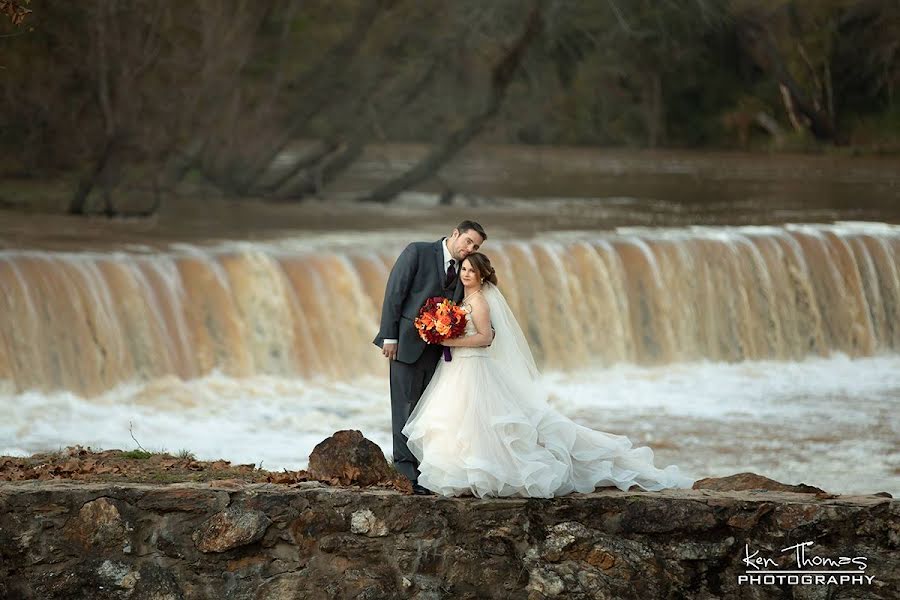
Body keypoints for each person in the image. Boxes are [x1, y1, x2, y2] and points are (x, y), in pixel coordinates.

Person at [402, 252, 696, 498]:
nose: (466, 274)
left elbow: (485, 338)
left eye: (472, 271)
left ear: (482, 275)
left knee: (478, 422)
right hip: (457, 368)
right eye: (464, 269)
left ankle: (482, 474)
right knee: (457, 419)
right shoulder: (464, 300)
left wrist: (449, 340)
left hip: (474, 366)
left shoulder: (479, 301)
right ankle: (461, 473)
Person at [373, 221, 489, 495]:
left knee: (427, 411)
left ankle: (427, 470)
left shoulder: (465, 269)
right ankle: (406, 474)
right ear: (455, 233)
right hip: (405, 345)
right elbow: (395, 293)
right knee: (404, 407)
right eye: (468, 241)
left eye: (476, 247)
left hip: (441, 352)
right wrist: (390, 337)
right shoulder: (417, 252)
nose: (469, 249)